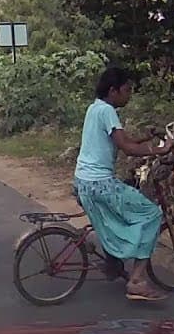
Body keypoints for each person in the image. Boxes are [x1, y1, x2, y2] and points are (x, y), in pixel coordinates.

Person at [72, 67, 168, 302]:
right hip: (100, 183)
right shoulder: (108, 112)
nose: (129, 95)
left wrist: (146, 137)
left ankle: (113, 263)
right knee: (152, 213)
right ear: (113, 91)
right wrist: (160, 150)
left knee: (118, 216)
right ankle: (137, 280)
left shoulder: (95, 108)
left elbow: (121, 141)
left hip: (83, 181)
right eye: (126, 90)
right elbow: (127, 148)